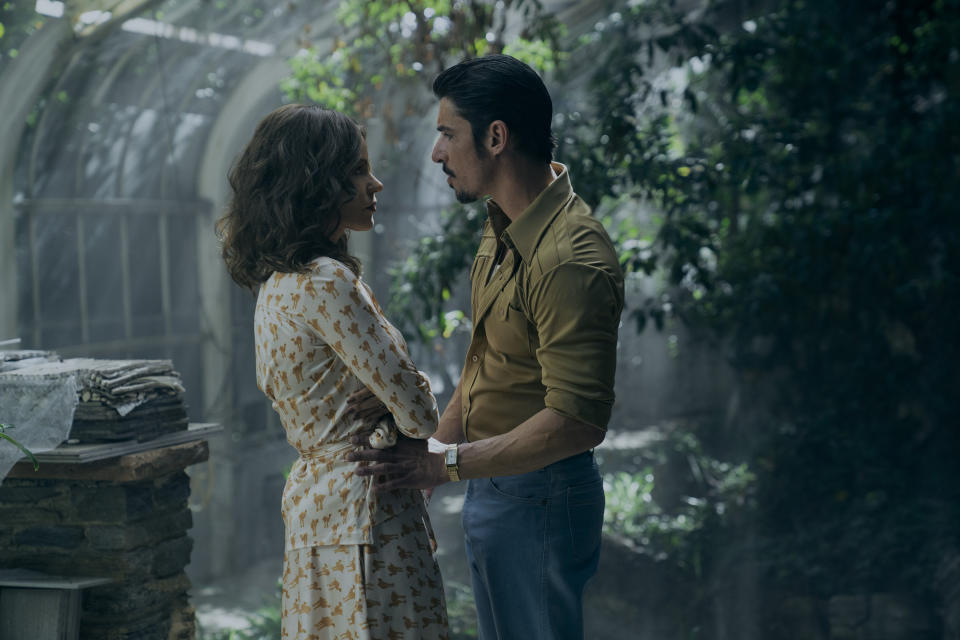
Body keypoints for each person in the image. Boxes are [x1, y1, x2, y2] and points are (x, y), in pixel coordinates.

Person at [347, 55, 625, 639]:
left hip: (541, 496)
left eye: (447, 133)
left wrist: (443, 463)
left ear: (496, 137)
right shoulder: (502, 226)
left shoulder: (569, 256)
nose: (436, 153)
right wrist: (435, 453)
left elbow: (576, 421)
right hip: (495, 485)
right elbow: (485, 368)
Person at [217, 104, 449, 639]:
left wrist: (389, 393)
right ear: (315, 181)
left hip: (318, 512)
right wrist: (405, 393)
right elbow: (418, 416)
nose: (376, 183)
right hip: (370, 511)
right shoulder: (326, 281)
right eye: (358, 171)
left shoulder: (277, 286)